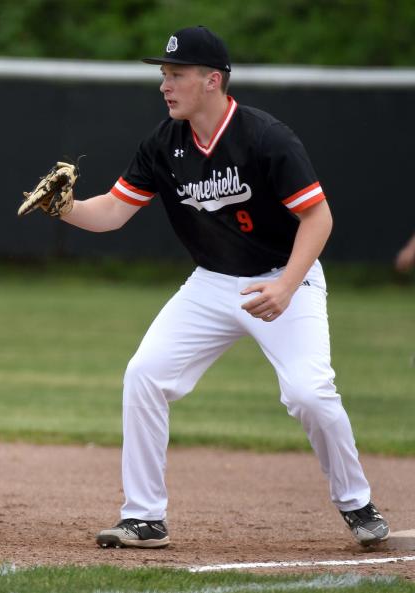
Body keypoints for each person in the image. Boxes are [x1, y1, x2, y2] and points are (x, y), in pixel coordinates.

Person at [21, 26, 389, 549]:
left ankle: (358, 505)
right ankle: (143, 517)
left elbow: (318, 218)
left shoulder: (266, 138)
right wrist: (68, 209)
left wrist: (285, 286)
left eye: (176, 75)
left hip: (286, 277)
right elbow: (114, 212)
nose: (165, 85)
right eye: (164, 75)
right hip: (212, 283)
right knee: (144, 375)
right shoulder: (163, 144)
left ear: (212, 80)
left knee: (309, 393)